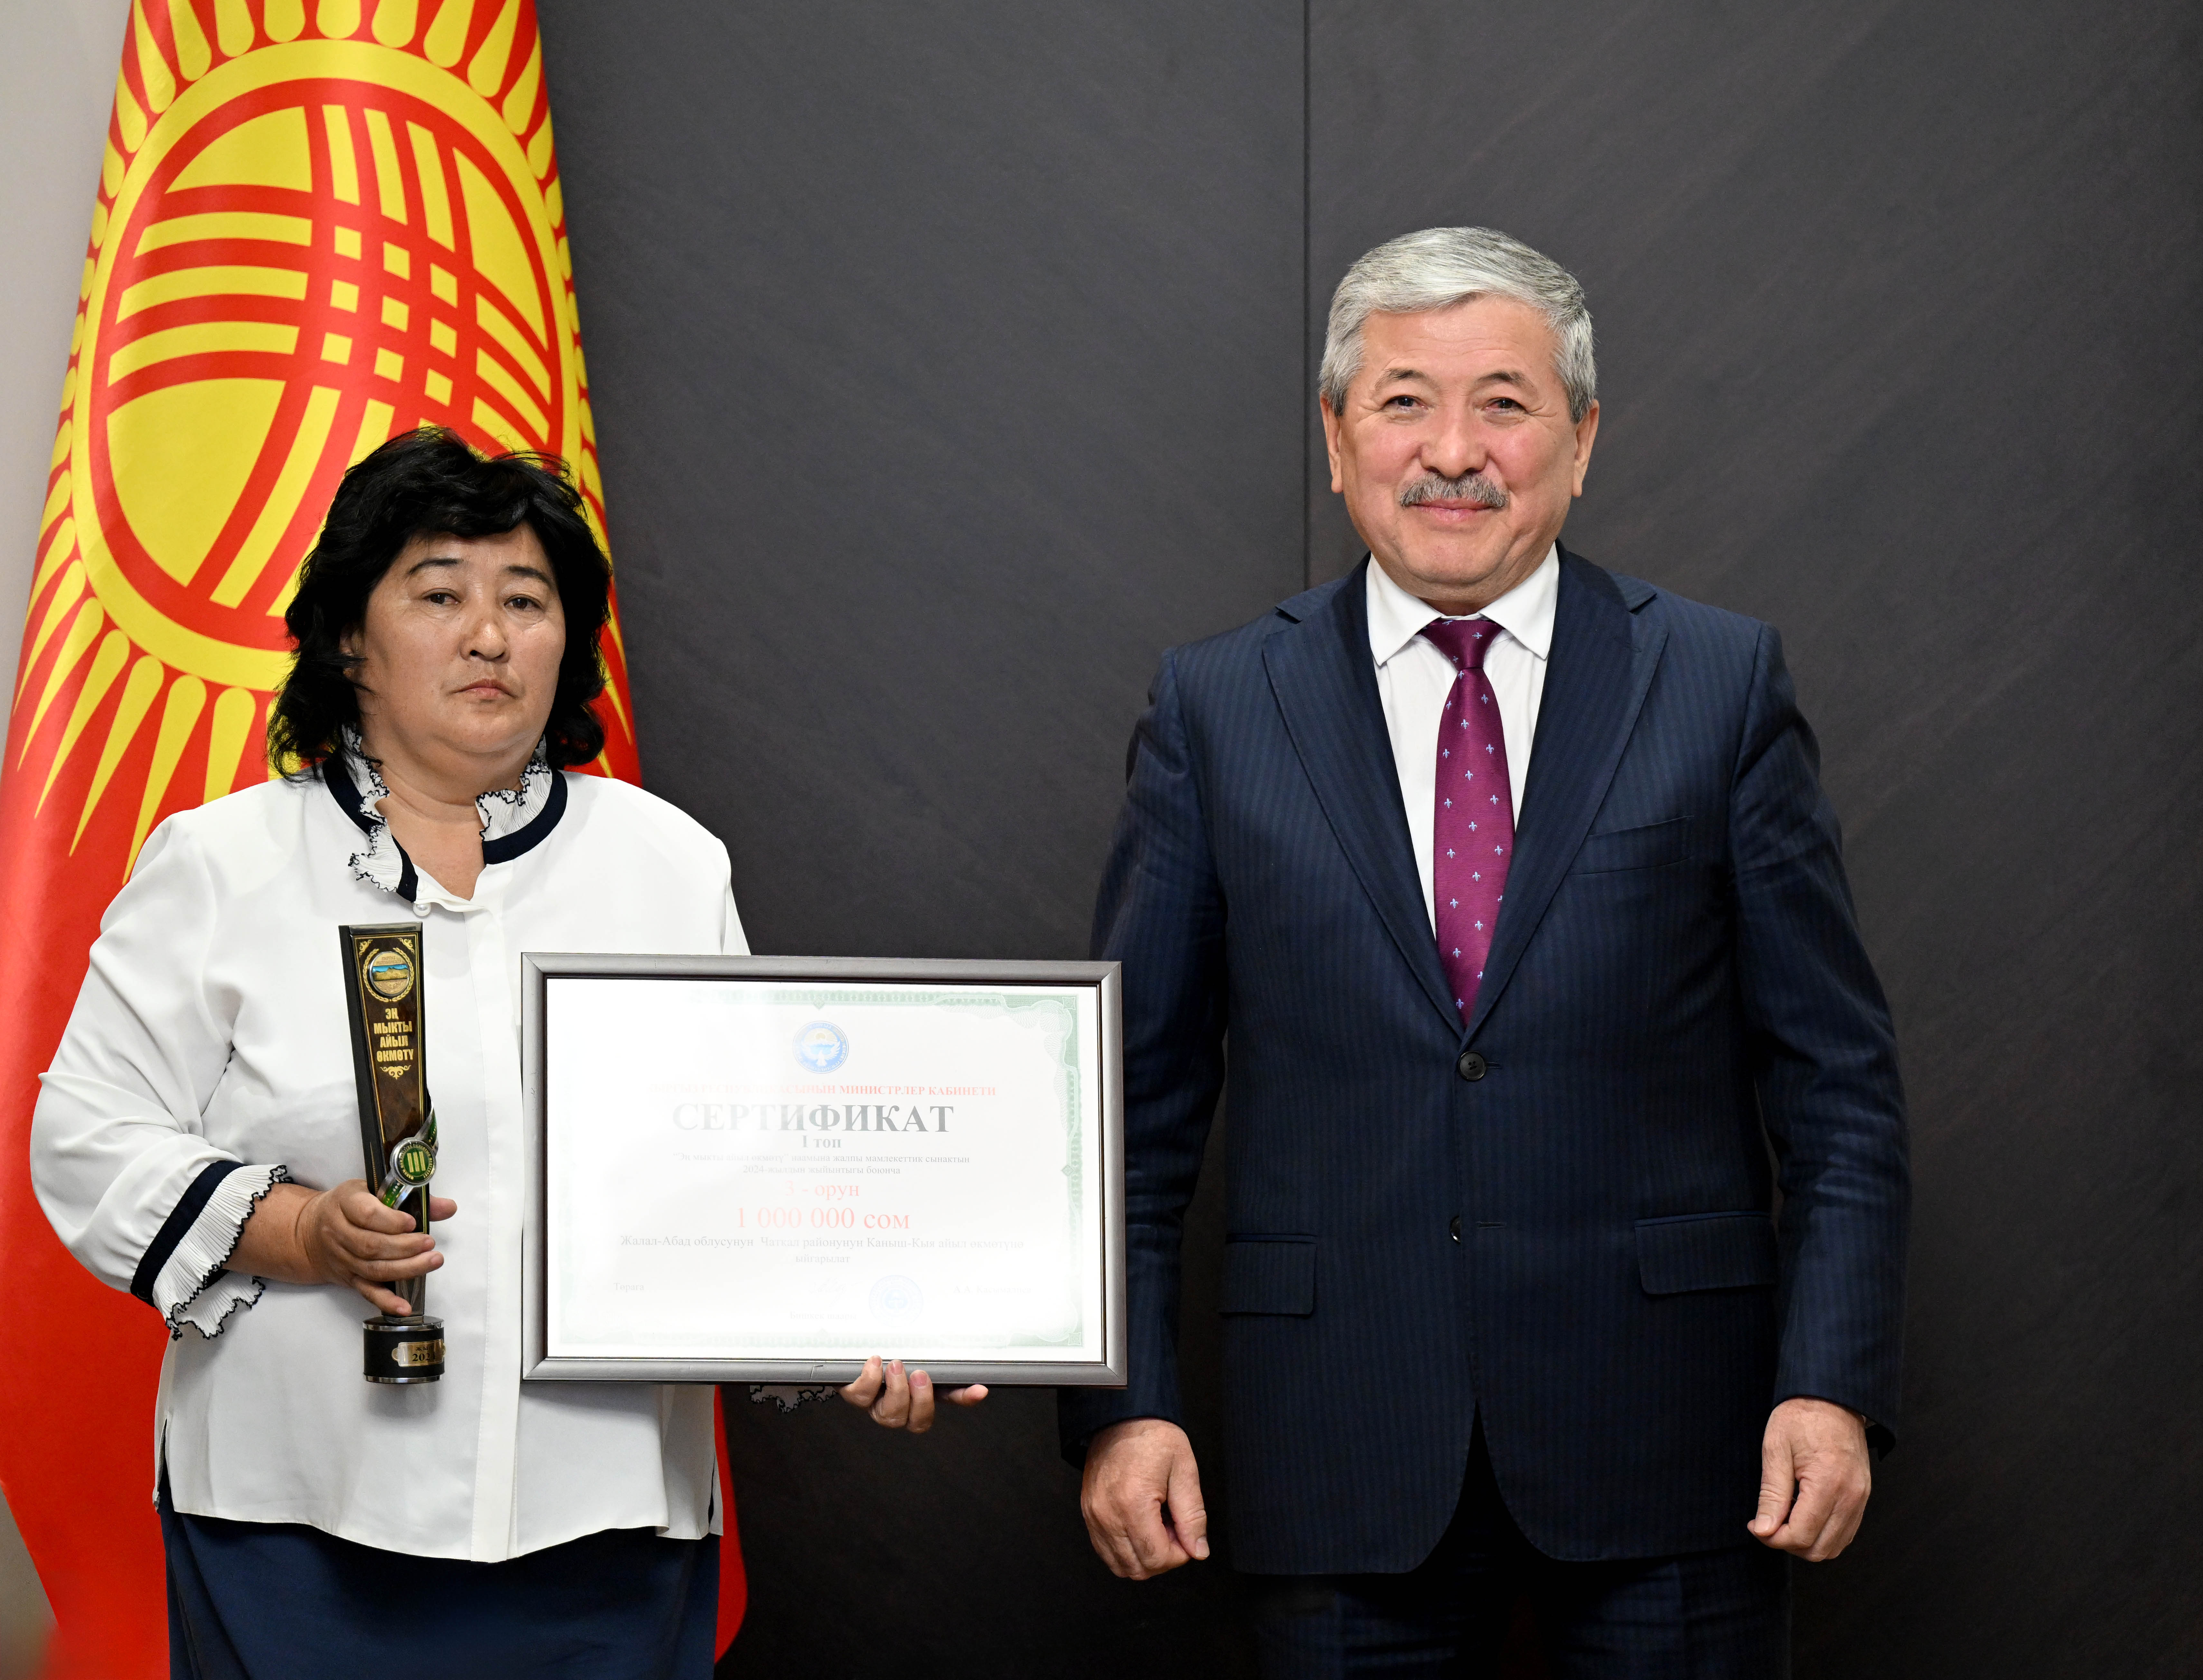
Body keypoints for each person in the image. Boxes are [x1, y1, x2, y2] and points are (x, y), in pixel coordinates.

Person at [1060, 228, 1909, 1675]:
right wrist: (1123, 1402)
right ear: (1337, 438)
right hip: (1338, 1451)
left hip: (1676, 1455)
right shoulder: (1218, 708)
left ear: (1581, 439)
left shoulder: (1716, 684)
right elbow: (1130, 1113)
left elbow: (1837, 1086)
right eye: (1404, 402)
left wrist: (1829, 1384)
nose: (1453, 451)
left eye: (1504, 404)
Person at [31, 429, 975, 1680]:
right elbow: (87, 1138)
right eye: (440, 596)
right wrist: (301, 1230)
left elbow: (752, 1173)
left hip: (605, 1524)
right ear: (350, 638)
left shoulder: (667, 863)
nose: (489, 635)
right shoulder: (224, 862)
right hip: (297, 1525)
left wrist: (862, 1319)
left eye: (526, 602)